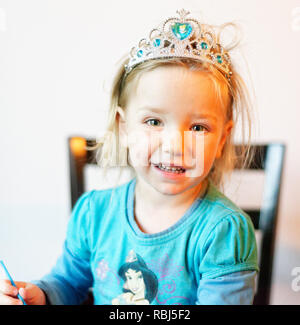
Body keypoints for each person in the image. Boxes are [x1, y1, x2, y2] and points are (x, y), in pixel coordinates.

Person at [0, 9, 259, 305]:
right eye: (154, 122)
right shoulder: (94, 214)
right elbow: (67, 283)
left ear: (223, 138)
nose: (175, 145)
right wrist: (41, 295)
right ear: (124, 127)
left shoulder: (223, 231)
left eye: (198, 127)